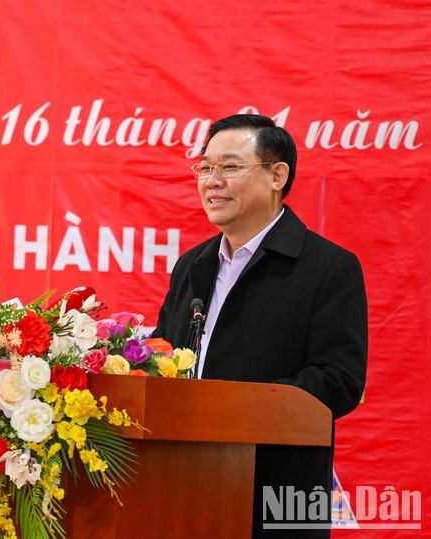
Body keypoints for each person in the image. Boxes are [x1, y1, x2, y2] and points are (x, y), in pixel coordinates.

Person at [152, 114, 367, 538]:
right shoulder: (191, 265)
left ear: (277, 175)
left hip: (279, 493)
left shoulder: (328, 268)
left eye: (229, 167)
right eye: (205, 167)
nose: (211, 181)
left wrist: (231, 411)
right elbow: (165, 359)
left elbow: (339, 381)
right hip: (182, 486)